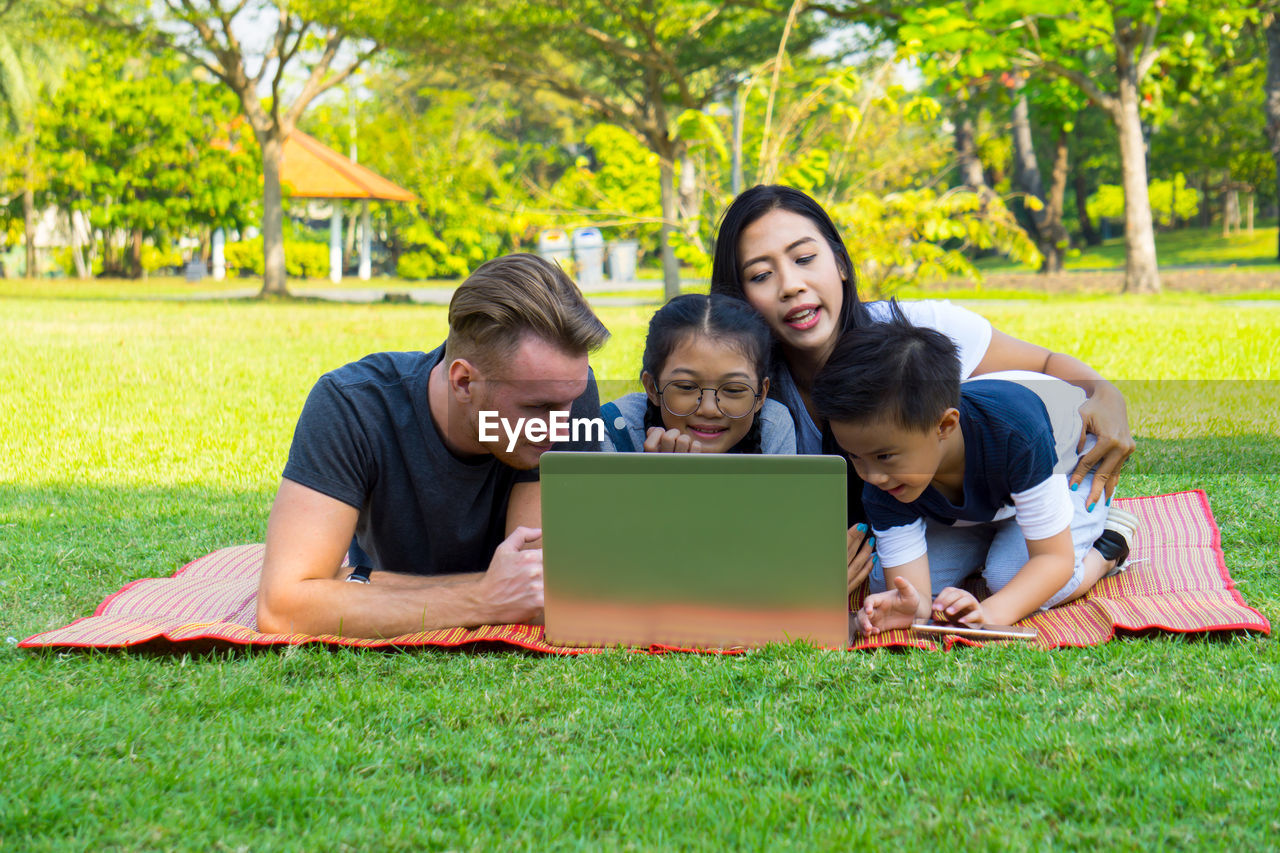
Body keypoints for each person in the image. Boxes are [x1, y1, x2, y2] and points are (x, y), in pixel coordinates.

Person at [709, 185, 1136, 587]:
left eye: (804, 259)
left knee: (1013, 573)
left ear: (839, 263)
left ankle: (1101, 539)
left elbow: (1044, 362)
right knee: (891, 581)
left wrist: (1105, 394)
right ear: (740, 296)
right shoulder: (745, 391)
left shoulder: (915, 331)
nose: (791, 285)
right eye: (761, 275)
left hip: (1026, 479)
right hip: (939, 517)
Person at [256, 253, 610, 638]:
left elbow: (536, 590)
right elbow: (283, 607)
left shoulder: (562, 393)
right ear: (463, 382)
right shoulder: (351, 406)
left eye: (570, 400)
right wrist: (483, 599)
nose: (562, 426)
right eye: (537, 408)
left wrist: (359, 584)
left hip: (377, 589)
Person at [813, 307, 1139, 634]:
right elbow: (913, 597)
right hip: (991, 492)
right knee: (887, 578)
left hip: (1068, 463)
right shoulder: (884, 475)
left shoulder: (1016, 434)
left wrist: (989, 614)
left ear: (944, 425)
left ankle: (1107, 546)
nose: (871, 476)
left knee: (1009, 578)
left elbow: (1053, 561)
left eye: (884, 456)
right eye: (855, 457)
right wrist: (908, 609)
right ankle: (997, 530)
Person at [599, 293, 795, 454]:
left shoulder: (772, 426)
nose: (709, 409)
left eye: (734, 389)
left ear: (761, 395)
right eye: (686, 387)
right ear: (652, 387)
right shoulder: (616, 428)